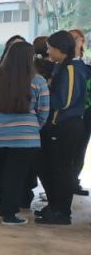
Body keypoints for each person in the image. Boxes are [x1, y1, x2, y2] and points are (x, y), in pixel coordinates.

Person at [0, 42, 49, 226]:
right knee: (15, 176)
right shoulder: (37, 81)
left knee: (1, 173)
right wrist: (34, 128)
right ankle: (10, 214)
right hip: (25, 137)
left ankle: (3, 209)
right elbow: (44, 110)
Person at [35, 31, 88, 226]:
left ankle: (62, 212)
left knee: (62, 169)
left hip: (67, 125)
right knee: (50, 167)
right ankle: (54, 206)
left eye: (50, 48)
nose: (48, 52)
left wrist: (43, 94)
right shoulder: (61, 66)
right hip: (57, 125)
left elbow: (64, 101)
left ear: (61, 49)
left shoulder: (72, 68)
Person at [67, 28, 91, 196]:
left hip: (87, 111)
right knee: (68, 149)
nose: (74, 41)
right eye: (70, 38)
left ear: (82, 41)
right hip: (70, 113)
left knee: (81, 147)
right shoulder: (63, 63)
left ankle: (74, 181)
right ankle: (65, 183)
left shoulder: (87, 63)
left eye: (76, 38)